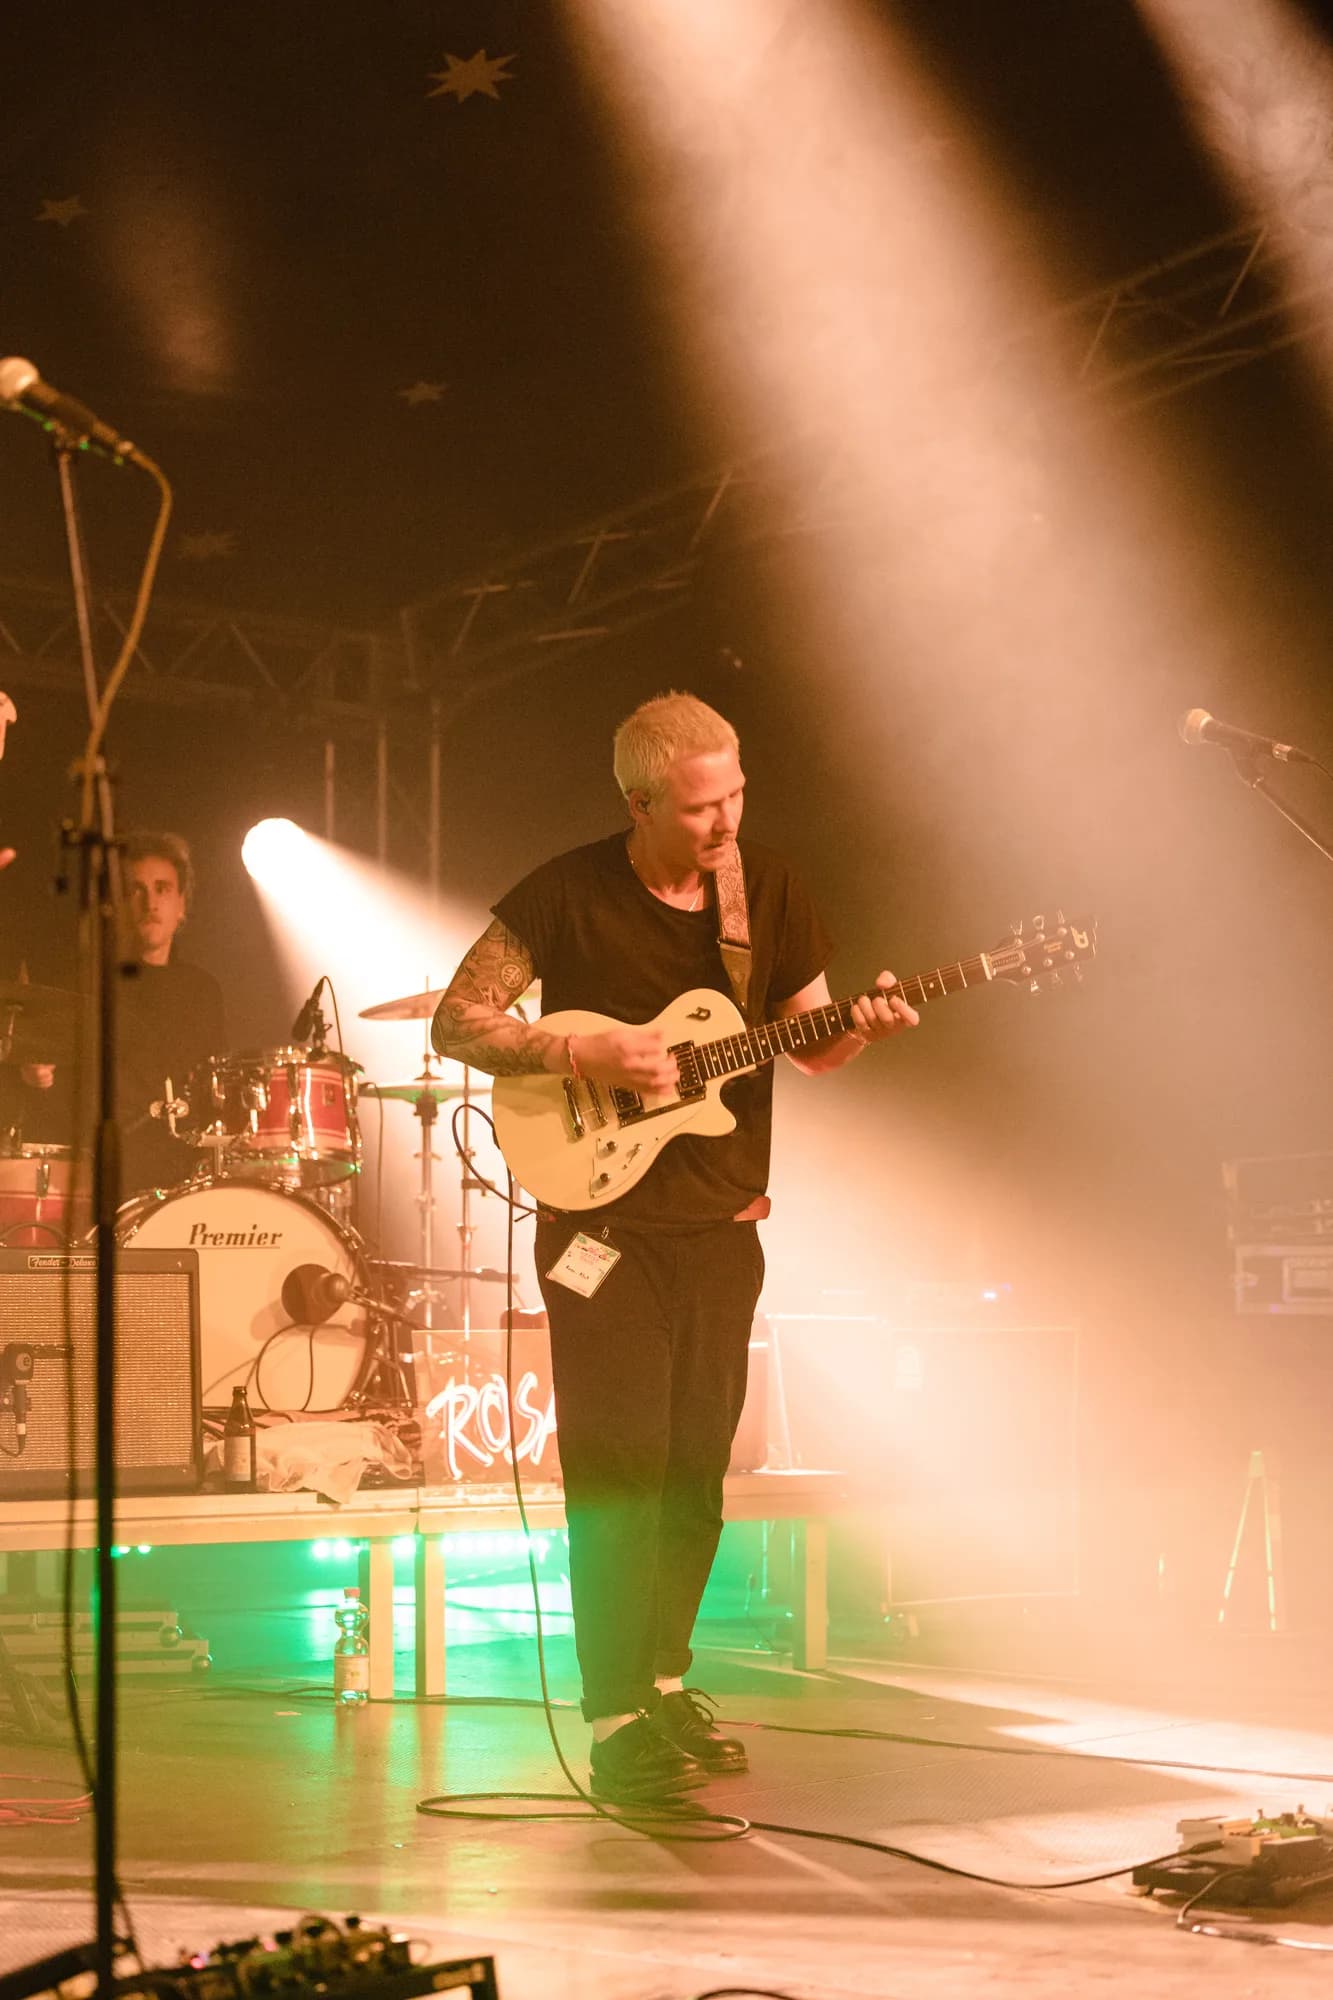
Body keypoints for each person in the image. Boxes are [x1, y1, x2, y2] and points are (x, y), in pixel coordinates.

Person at [431, 691, 919, 1805]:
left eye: (737, 792)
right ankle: (610, 1717)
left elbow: (815, 1048)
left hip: (720, 1225)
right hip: (597, 1226)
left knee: (695, 1471)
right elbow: (458, 1020)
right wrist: (582, 1042)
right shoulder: (563, 890)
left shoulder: (768, 890)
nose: (726, 820)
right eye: (702, 805)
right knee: (618, 1471)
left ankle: (659, 1681)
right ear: (639, 801)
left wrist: (865, 1026)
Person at [22, 829, 226, 1199]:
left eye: (163, 889)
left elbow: (218, 1091)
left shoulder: (203, 991)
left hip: (186, 1179)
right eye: (136, 890)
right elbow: (39, 1073)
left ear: (182, 905)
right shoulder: (84, 984)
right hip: (100, 1177)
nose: (151, 902)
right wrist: (31, 1074)